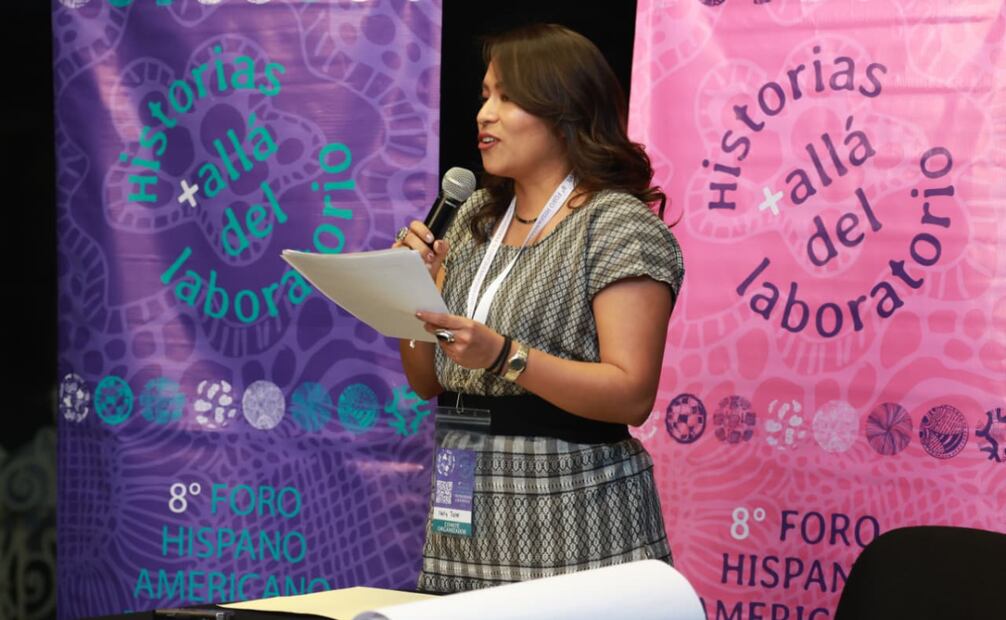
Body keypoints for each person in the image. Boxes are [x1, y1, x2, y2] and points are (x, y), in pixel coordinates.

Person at [392, 23, 684, 593]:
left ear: (565, 111)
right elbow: (428, 382)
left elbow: (632, 392)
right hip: (463, 513)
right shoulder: (475, 218)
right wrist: (413, 296)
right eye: (484, 96)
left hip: (576, 516)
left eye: (508, 97)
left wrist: (504, 355)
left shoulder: (615, 223)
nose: (484, 115)